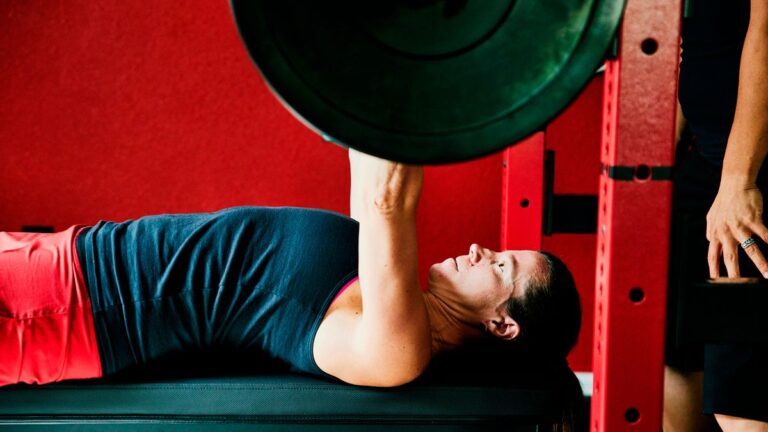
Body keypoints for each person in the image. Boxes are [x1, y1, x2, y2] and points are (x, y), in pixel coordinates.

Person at [0, 149, 581, 391]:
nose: (479, 249)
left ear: (503, 324)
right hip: (74, 261)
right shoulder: (383, 288)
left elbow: (387, 198)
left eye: (499, 264)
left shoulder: (399, 348)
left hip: (69, 307)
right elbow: (368, 167)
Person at [664, 0, 768, 431]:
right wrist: (657, 167)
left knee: (737, 399)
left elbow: (766, 31)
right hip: (705, 164)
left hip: (751, 171)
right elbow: (689, 46)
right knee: (673, 357)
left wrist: (740, 180)